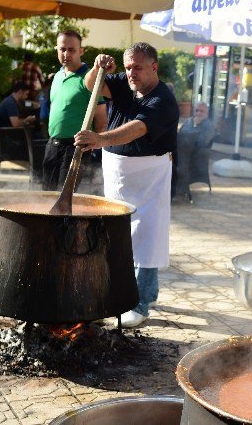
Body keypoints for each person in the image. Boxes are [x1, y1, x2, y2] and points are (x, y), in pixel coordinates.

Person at [75, 42, 179, 328]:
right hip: (118, 171)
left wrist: (100, 139)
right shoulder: (123, 82)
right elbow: (90, 86)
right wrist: (97, 67)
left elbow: (137, 129)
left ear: (154, 67)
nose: (131, 73)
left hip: (150, 173)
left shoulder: (163, 100)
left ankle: (140, 303)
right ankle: (146, 291)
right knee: (120, 233)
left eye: (138, 68)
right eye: (128, 67)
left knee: (147, 235)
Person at [42, 30, 107, 191]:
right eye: (62, 49)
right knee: (45, 195)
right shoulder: (57, 76)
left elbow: (101, 118)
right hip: (52, 144)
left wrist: (93, 144)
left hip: (76, 146)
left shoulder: (88, 79)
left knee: (65, 198)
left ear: (81, 51)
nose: (66, 54)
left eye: (71, 50)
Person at [175, 101, 215, 202]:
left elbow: (203, 142)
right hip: (184, 152)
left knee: (179, 163)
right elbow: (181, 135)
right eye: (197, 110)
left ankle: (180, 189)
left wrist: (195, 126)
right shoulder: (188, 121)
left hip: (197, 156)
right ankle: (173, 188)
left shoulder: (209, 126)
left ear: (206, 113)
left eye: (202, 111)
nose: (199, 113)